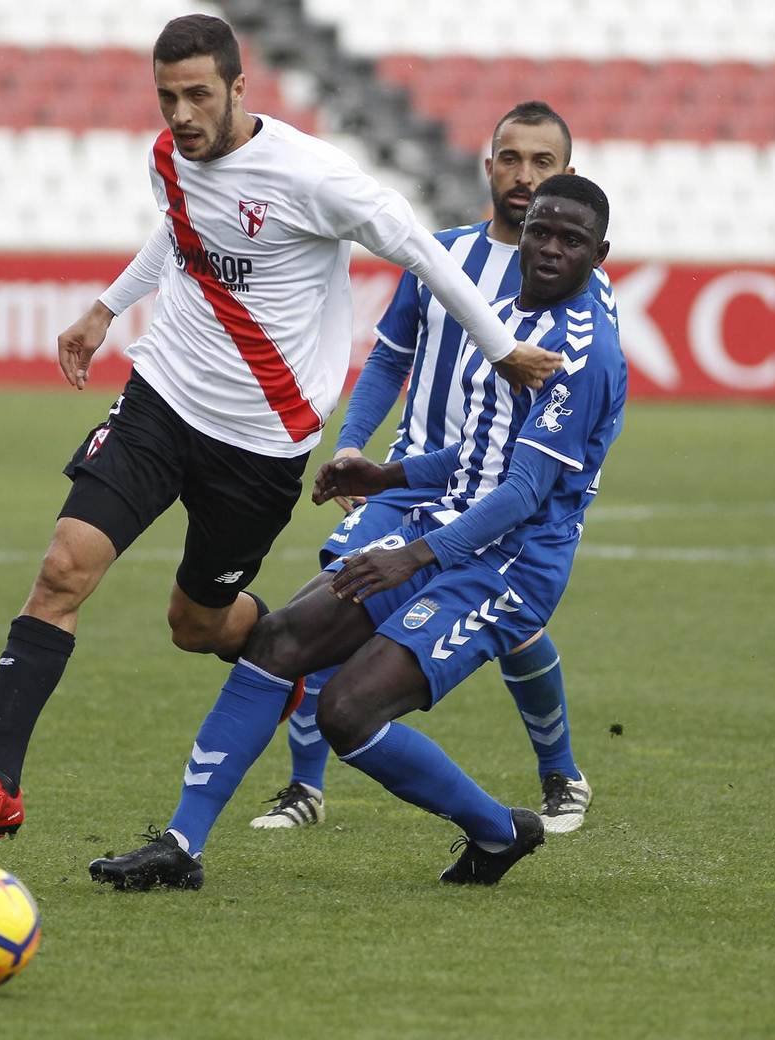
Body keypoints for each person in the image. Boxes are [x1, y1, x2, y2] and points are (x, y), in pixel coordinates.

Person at [0, 14, 561, 843]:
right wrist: (106, 309)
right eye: (166, 97)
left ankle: (286, 650)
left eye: (197, 96)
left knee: (197, 627)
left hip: (259, 444)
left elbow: (420, 250)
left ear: (237, 89)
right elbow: (180, 227)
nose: (180, 115)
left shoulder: (311, 176)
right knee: (62, 569)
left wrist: (502, 347)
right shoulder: (169, 158)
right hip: (163, 395)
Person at [90, 174, 625, 890]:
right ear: (522, 233)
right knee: (280, 642)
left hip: (508, 567)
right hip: (445, 528)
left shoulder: (585, 350)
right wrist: (386, 477)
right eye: (542, 232)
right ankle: (180, 845)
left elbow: (525, 492)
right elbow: (478, 458)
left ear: (600, 253)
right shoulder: (501, 315)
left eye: (573, 240)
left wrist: (414, 555)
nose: (552, 248)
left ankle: (499, 832)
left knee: (347, 712)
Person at [251, 101, 611, 834]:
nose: (523, 174)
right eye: (511, 158)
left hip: (503, 494)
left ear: (565, 176)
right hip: (414, 479)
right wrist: (357, 445)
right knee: (336, 602)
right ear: (488, 165)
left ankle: (559, 773)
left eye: (542, 163)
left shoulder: (578, 292)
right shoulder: (439, 254)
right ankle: (304, 786)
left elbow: (578, 402)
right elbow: (390, 356)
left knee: (512, 630)